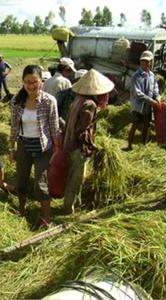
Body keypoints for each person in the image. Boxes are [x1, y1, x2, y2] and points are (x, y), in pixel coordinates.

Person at [9, 65, 59, 226]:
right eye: (27, 82)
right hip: (24, 145)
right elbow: (14, 127)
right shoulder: (17, 101)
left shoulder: (48, 101)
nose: (31, 86)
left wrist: (56, 150)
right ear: (23, 82)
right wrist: (12, 148)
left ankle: (46, 218)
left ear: (41, 81)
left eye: (34, 82)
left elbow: (54, 127)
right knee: (22, 181)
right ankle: (22, 209)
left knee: (41, 184)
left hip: (43, 147)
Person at [63, 69, 114, 214]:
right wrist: (91, 146)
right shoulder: (90, 105)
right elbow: (82, 130)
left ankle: (76, 205)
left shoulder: (78, 100)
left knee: (74, 176)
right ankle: (68, 209)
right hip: (78, 148)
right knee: (75, 179)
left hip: (69, 143)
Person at [123, 50, 160, 151]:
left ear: (151, 62)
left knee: (146, 125)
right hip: (138, 105)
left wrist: (157, 97)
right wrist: (151, 101)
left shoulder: (152, 75)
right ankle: (129, 145)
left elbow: (155, 87)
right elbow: (137, 93)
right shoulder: (136, 76)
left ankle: (143, 145)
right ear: (140, 62)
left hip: (147, 106)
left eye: (147, 61)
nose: (145, 63)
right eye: (143, 61)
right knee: (135, 124)